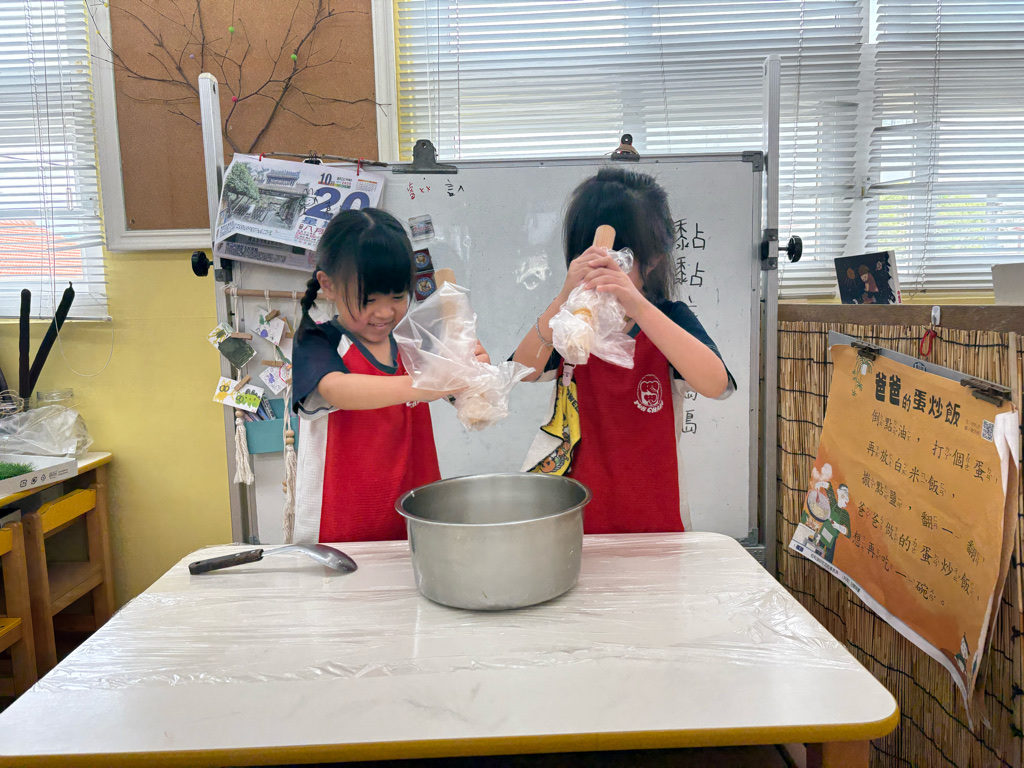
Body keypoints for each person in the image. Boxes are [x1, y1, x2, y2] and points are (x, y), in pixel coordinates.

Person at [512, 167, 734, 533]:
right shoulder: (571, 323)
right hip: (578, 521)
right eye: (587, 253)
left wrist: (638, 306)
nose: (603, 267)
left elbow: (716, 384)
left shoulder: (668, 319)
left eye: (622, 259)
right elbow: (523, 370)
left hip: (655, 522)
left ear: (654, 258)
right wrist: (565, 296)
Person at [291, 208, 487, 543]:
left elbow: (461, 392)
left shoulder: (414, 341)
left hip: (415, 520)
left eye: (398, 297)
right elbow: (337, 389)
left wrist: (473, 372)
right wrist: (424, 384)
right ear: (328, 286)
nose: (385, 312)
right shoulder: (318, 341)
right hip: (341, 527)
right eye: (368, 300)